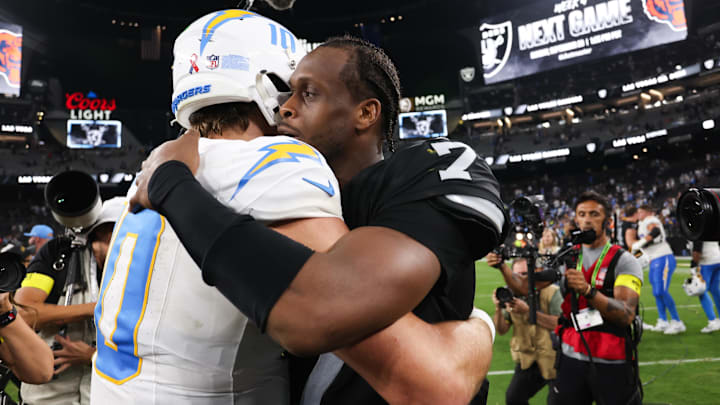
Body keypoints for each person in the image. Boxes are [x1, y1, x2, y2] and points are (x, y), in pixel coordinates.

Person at [93, 11, 497, 405]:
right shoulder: (276, 162)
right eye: (290, 88)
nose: (288, 107)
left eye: (307, 93)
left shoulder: (152, 171)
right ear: (266, 84)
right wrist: (482, 327)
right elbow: (427, 378)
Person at [14, 198, 123, 405]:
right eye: (102, 236)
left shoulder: (146, 267)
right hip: (47, 396)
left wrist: (92, 356)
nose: (107, 248)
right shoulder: (58, 253)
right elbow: (23, 314)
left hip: (105, 394)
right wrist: (93, 309)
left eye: (117, 237)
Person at [549, 191, 643, 405]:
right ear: (576, 219)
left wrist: (588, 291)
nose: (587, 220)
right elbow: (526, 285)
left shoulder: (625, 260)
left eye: (594, 214)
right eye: (581, 214)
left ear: (608, 221)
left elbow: (626, 315)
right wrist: (503, 267)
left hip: (611, 359)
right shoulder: (569, 256)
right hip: (570, 356)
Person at [489, 258, 562, 405]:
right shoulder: (511, 296)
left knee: (557, 401)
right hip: (527, 359)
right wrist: (498, 308)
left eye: (524, 274)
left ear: (536, 273)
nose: (520, 279)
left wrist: (528, 311)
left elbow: (558, 324)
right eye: (515, 275)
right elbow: (502, 330)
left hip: (554, 358)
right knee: (514, 399)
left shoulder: (552, 292)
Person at [633, 204, 685, 334]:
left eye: (640, 212)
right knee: (656, 292)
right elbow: (646, 247)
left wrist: (641, 242)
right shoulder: (643, 222)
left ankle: (677, 321)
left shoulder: (650, 220)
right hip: (655, 258)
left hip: (663, 257)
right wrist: (635, 254)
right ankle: (663, 320)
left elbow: (654, 232)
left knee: (661, 290)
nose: (639, 214)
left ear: (647, 212)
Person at [691, 241, 720, 333]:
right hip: (718, 259)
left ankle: (712, 322)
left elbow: (697, 248)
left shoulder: (699, 228)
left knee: (701, 291)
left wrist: (693, 264)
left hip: (707, 261)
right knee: (715, 289)